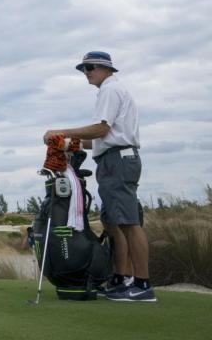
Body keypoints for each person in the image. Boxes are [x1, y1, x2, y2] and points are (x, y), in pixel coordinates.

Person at [43, 51, 154, 302]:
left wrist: (60, 131)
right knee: (114, 222)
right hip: (110, 158)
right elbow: (100, 142)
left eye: (90, 67)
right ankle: (121, 279)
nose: (86, 72)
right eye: (83, 68)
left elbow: (100, 129)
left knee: (128, 222)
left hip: (119, 160)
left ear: (106, 69)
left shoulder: (110, 90)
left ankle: (143, 284)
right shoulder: (109, 91)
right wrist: (68, 144)